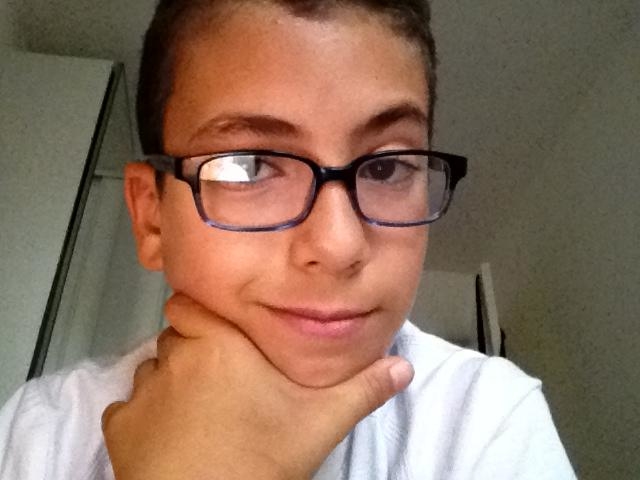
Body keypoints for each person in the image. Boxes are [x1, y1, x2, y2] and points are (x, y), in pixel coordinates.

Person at [0, 1, 576, 478]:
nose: (339, 245)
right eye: (249, 166)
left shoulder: (485, 421)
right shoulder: (37, 435)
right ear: (152, 218)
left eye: (386, 167)